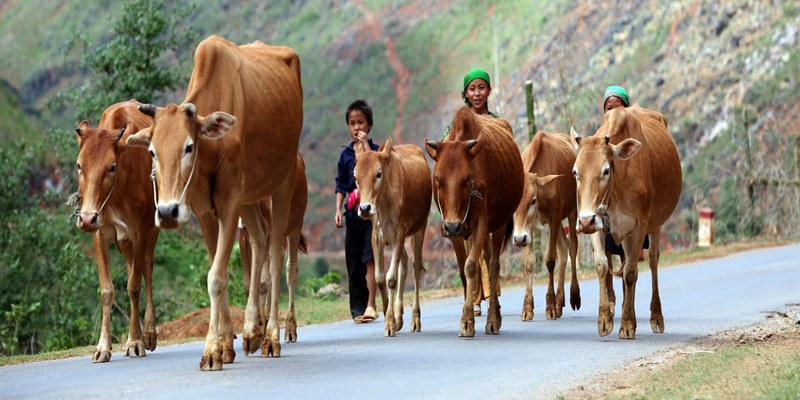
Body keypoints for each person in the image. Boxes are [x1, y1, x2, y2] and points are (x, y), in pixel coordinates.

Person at [443, 68, 499, 316]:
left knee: (487, 245)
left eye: (481, 88)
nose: (477, 93)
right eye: (472, 89)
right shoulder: (455, 125)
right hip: (464, 194)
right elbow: (445, 154)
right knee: (469, 243)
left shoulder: (495, 122)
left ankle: (489, 293)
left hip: (488, 191)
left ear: (489, 90)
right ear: (465, 93)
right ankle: (475, 296)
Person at [335, 99, 380, 324]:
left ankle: (372, 304)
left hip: (371, 217)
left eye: (361, 122)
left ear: (369, 125)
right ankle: (357, 308)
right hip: (352, 216)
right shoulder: (345, 156)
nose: (356, 128)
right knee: (353, 263)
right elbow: (341, 185)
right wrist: (337, 210)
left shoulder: (377, 152)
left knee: (370, 260)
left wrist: (366, 149)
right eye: (352, 123)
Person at [601, 85, 649, 275]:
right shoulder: (601, 139)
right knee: (606, 248)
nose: (613, 113)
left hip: (627, 206)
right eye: (609, 109)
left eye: (618, 108)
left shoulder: (634, 139)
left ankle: (626, 293)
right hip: (609, 204)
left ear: (627, 109)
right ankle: (609, 293)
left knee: (626, 254)